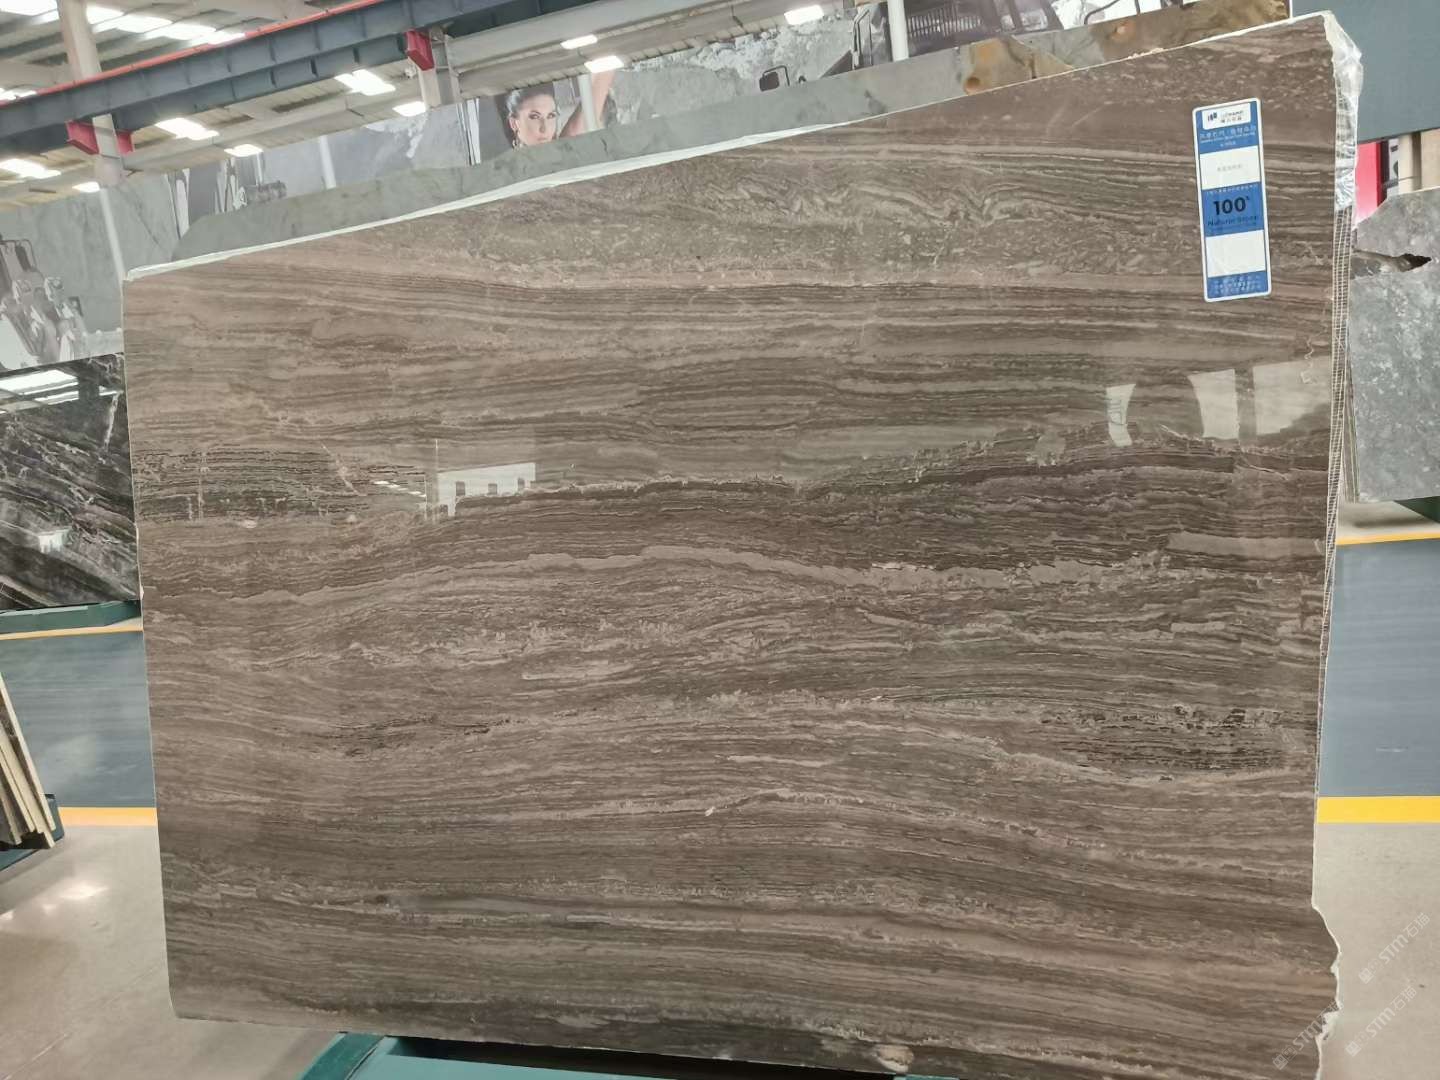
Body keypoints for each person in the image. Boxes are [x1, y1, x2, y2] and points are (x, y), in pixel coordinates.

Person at [503, 71, 615, 149]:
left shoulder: (564, 150)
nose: (544, 128)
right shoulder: (506, 169)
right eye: (534, 116)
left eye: (551, 116)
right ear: (514, 123)